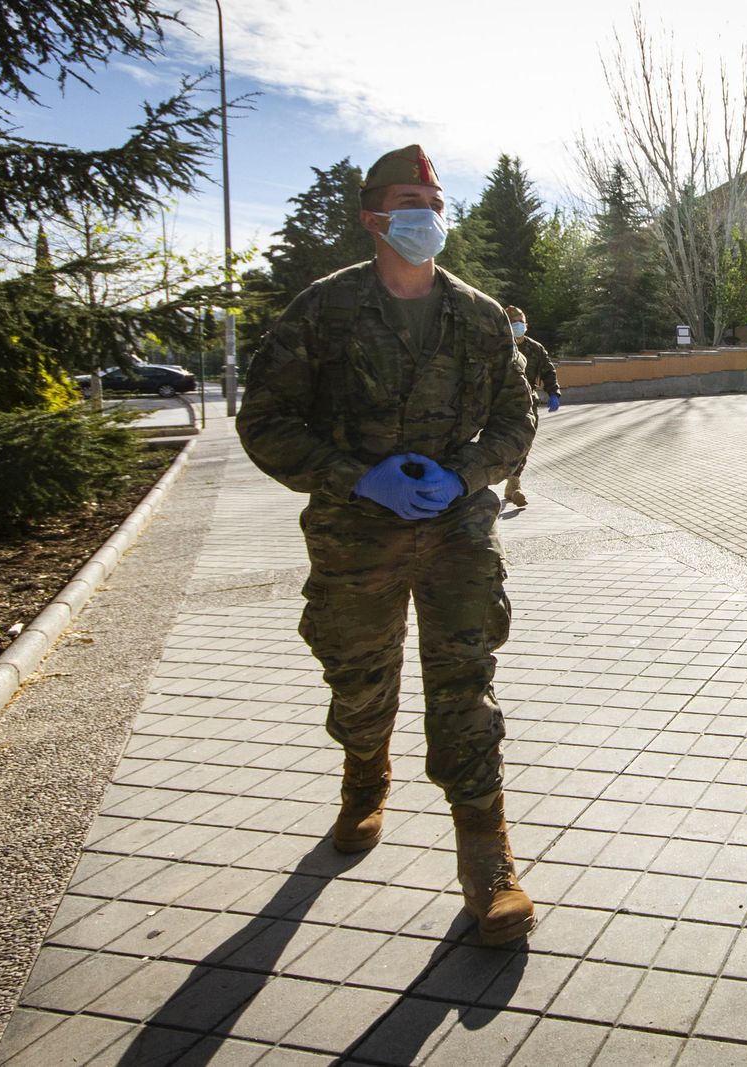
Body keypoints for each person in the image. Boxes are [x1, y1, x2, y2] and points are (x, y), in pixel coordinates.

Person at [236, 145, 538, 945]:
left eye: (436, 201)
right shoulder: (322, 311)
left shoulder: (478, 314)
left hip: (456, 535)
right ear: (373, 217)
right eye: (410, 200)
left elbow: (517, 418)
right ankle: (365, 774)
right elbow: (262, 422)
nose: (427, 215)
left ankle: (487, 856)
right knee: (358, 681)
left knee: (464, 684)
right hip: (355, 534)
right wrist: (354, 479)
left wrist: (469, 473)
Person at [501, 305, 560, 509]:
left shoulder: (535, 348)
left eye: (521, 322)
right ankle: (494, 481)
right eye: (514, 322)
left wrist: (553, 392)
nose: (518, 326)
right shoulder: (498, 346)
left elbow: (548, 371)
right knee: (502, 441)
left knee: (525, 442)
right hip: (502, 403)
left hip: (528, 403)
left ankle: (514, 482)